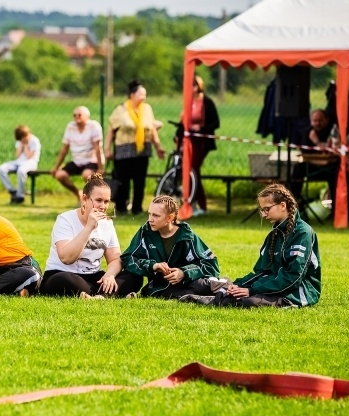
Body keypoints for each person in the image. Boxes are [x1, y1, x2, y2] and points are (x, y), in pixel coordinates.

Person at [180, 183, 321, 307]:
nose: (264, 215)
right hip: (273, 285)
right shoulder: (274, 234)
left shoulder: (303, 233)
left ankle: (210, 300)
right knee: (235, 289)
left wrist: (251, 290)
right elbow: (261, 271)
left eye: (267, 209)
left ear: (282, 206)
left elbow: (293, 278)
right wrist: (239, 285)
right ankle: (219, 290)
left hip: (297, 292)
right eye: (262, 210)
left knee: (249, 301)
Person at [39, 173, 140, 299]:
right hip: (64, 274)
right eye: (98, 200)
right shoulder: (65, 219)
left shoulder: (107, 223)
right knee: (61, 280)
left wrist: (109, 275)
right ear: (84, 199)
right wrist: (89, 227)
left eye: (106, 201)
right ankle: (108, 294)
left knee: (134, 277)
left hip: (93, 276)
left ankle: (98, 296)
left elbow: (115, 259)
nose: (103, 206)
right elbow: (66, 258)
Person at [120, 195, 221, 299]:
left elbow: (212, 265)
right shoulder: (145, 232)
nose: (150, 219)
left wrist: (184, 273)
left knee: (202, 285)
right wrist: (152, 266)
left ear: (170, 218)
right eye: (149, 214)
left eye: (156, 215)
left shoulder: (187, 236)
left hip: (187, 283)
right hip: (157, 289)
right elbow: (127, 258)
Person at [105, 80, 166, 215]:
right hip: (123, 150)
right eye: (141, 94)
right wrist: (107, 148)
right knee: (122, 180)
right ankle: (121, 207)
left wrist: (158, 147)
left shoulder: (147, 109)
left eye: (145, 95)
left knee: (139, 181)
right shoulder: (120, 109)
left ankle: (137, 208)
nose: (143, 97)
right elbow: (111, 130)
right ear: (132, 95)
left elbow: (152, 129)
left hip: (142, 150)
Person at [179, 76, 220, 216]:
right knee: (187, 171)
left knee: (193, 170)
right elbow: (183, 121)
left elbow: (216, 123)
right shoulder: (188, 102)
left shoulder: (207, 102)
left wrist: (201, 128)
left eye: (194, 85)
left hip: (201, 142)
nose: (192, 88)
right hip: (188, 141)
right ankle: (191, 203)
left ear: (199, 86)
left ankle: (201, 205)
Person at [49, 106, 103, 201]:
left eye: (79, 115)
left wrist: (100, 167)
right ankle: (77, 192)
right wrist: (56, 167)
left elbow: (97, 148)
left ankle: (91, 199)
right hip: (77, 161)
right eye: (74, 115)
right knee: (60, 175)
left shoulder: (94, 126)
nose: (76, 117)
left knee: (87, 175)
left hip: (91, 160)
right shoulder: (70, 127)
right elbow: (64, 149)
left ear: (87, 116)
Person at [289, 109, 339, 202]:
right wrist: (323, 157)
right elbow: (305, 155)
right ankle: (293, 202)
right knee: (298, 168)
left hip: (329, 167)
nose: (318, 123)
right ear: (311, 122)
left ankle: (336, 206)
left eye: (320, 120)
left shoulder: (333, 131)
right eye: (315, 121)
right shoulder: (307, 133)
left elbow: (335, 152)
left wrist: (317, 143)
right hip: (312, 166)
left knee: (336, 171)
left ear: (327, 120)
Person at [0, 125, 41, 205]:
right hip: (18, 162)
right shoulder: (20, 141)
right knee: (1, 169)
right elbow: (17, 155)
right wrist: (21, 145)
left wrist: (26, 146)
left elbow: (29, 156)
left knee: (21, 171)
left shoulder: (34, 141)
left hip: (31, 162)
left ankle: (20, 196)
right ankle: (13, 191)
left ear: (26, 135)